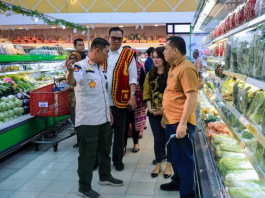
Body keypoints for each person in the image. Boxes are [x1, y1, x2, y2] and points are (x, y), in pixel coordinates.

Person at [66, 38, 124, 198]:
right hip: (88, 120)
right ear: (97, 50)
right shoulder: (80, 66)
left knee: (105, 149)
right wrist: (70, 71)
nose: (107, 55)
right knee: (87, 154)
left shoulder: (100, 68)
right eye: (106, 52)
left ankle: (105, 176)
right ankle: (83, 187)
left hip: (104, 118)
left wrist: (109, 113)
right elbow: (71, 81)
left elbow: (103, 93)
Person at [161, 36, 199, 198]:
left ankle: (187, 193)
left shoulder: (186, 68)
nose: (164, 52)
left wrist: (183, 124)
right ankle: (177, 181)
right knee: (174, 156)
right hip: (171, 120)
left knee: (183, 159)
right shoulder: (173, 67)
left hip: (180, 122)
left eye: (166, 49)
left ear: (175, 50)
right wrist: (165, 116)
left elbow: (191, 97)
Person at [104, 27, 137, 171]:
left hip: (120, 101)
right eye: (113, 38)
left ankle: (117, 159)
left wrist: (133, 96)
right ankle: (101, 159)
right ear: (108, 37)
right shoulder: (101, 52)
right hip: (101, 101)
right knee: (102, 134)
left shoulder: (129, 54)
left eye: (119, 38)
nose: (116, 41)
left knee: (119, 133)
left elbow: (133, 78)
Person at [143, 47, 172, 179]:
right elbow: (147, 92)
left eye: (158, 57)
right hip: (154, 112)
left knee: (169, 139)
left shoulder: (171, 74)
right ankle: (158, 165)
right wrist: (149, 108)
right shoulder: (150, 74)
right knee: (157, 139)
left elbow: (173, 94)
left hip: (169, 113)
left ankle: (169, 167)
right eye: (153, 57)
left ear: (164, 57)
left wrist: (165, 110)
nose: (155, 59)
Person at [124, 48, 146, 153]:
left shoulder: (140, 68)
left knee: (135, 123)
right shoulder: (121, 68)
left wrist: (145, 100)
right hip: (122, 100)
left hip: (137, 101)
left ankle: (136, 143)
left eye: (134, 56)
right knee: (124, 123)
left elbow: (144, 85)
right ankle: (123, 145)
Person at [56, 52, 81, 133]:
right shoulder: (71, 68)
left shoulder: (80, 68)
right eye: (71, 58)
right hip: (71, 99)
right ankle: (78, 136)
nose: (72, 60)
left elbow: (77, 83)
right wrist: (64, 78)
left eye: (74, 58)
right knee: (74, 119)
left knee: (77, 120)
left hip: (77, 100)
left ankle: (80, 138)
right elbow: (71, 79)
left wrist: (67, 88)